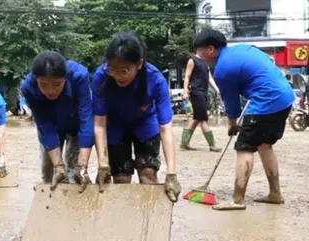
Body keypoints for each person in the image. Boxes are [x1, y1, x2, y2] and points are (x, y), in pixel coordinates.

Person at [193, 28, 294, 210]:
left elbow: (231, 103)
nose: (198, 55)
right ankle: (275, 193)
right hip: (284, 97)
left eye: (199, 50)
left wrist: (233, 124)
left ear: (210, 49)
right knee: (264, 145)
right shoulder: (243, 49)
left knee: (244, 147)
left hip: (266, 100)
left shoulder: (222, 68)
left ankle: (237, 199)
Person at [92, 32, 181, 202]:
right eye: (113, 69)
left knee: (148, 175)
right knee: (121, 179)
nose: (118, 75)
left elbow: (166, 128)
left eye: (124, 70)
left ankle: (148, 220)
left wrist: (171, 173)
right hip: (115, 126)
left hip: (146, 124)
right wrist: (103, 164)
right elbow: (99, 124)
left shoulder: (155, 79)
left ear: (139, 63)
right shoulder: (101, 77)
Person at [21, 51, 94, 192]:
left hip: (77, 125)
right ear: (36, 80)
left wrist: (83, 165)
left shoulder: (79, 76)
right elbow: (43, 125)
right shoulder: (28, 87)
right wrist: (58, 165)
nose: (50, 90)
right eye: (43, 85)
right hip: (51, 125)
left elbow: (87, 119)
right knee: (50, 174)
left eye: (56, 84)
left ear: (65, 78)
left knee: (76, 173)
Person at [181, 50, 222, 152]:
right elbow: (187, 76)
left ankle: (184, 142)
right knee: (203, 118)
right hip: (196, 92)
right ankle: (212, 145)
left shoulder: (204, 62)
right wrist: (185, 91)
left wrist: (217, 89)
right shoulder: (192, 60)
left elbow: (209, 77)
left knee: (197, 117)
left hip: (203, 92)